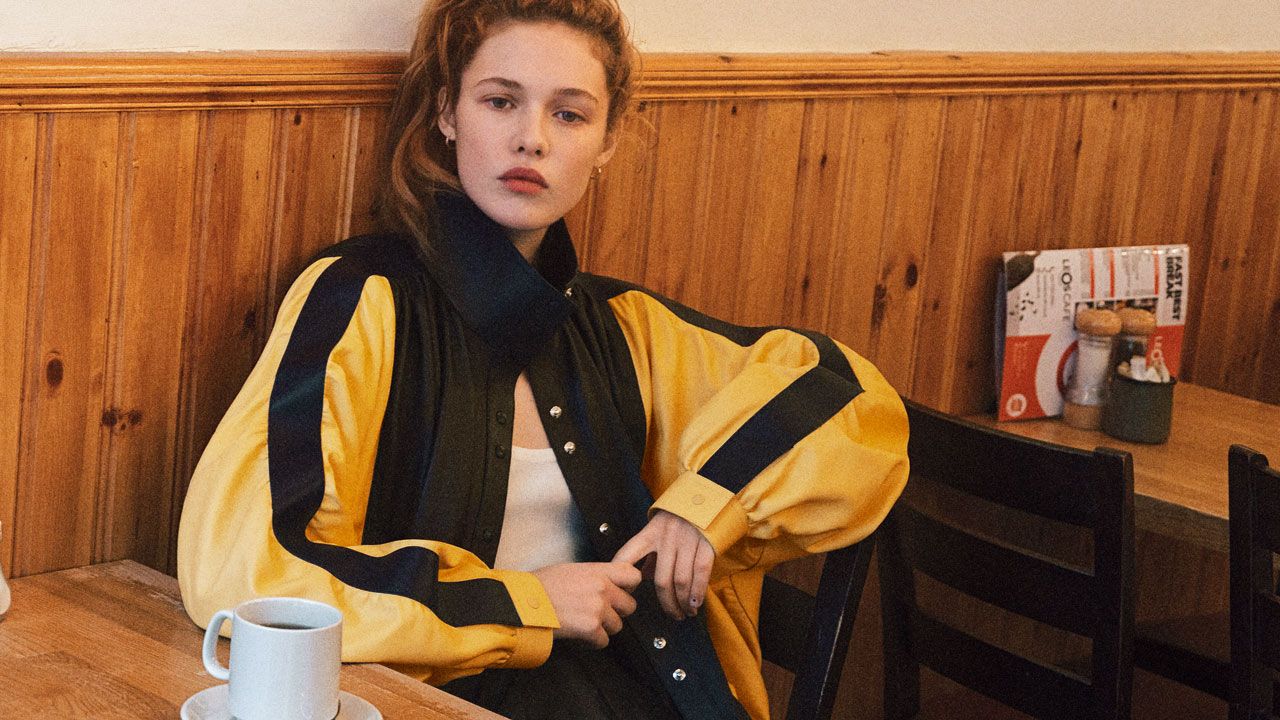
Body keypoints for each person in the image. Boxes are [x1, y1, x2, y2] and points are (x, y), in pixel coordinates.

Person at [177, 1, 909, 718]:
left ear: (607, 141)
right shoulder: (360, 298)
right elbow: (245, 568)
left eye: (569, 114)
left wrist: (705, 507)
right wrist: (526, 604)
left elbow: (851, 398)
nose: (531, 139)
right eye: (500, 102)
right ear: (447, 112)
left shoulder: (629, 329)